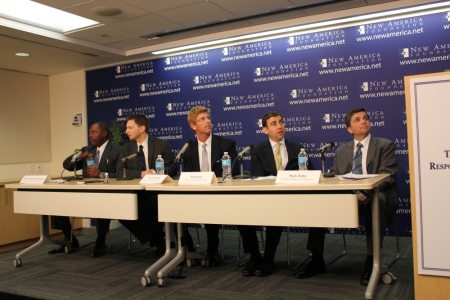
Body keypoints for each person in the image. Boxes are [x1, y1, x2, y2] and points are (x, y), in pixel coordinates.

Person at [294, 107, 398, 285]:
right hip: (348, 198)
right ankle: (317, 259)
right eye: (357, 120)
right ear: (350, 129)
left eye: (365, 118)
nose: (363, 121)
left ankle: (372, 262)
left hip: (373, 196)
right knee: (318, 203)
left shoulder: (384, 145)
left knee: (377, 202)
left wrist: (364, 194)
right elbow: (335, 176)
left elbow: (387, 176)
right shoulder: (341, 151)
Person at [239, 111, 313, 276]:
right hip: (267, 198)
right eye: (273, 123)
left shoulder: (298, 148)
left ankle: (269, 258)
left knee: (276, 213)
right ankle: (255, 256)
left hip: (293, 199)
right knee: (241, 215)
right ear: (265, 130)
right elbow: (258, 178)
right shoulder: (258, 151)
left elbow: (310, 173)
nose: (279, 126)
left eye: (281, 122)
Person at [50, 122, 120, 258]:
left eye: (94, 132)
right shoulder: (87, 149)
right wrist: (77, 158)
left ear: (104, 133)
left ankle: (100, 241)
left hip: (105, 192)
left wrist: (100, 174)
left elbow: (120, 174)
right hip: (84, 191)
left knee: (102, 206)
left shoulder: (116, 150)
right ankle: (69, 239)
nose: (90, 135)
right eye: (89, 133)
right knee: (57, 203)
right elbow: (66, 165)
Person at [182, 106, 239, 266]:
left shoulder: (226, 144)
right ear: (194, 126)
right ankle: (189, 249)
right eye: (202, 119)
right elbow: (186, 175)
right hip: (195, 194)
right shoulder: (188, 150)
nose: (208, 121)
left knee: (210, 210)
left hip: (218, 193)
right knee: (172, 211)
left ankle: (212, 251)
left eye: (208, 118)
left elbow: (232, 169)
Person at [116, 114, 177, 255]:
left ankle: (160, 239)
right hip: (137, 191)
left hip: (158, 191)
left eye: (130, 127)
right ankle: (157, 238)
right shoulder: (125, 149)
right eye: (126, 128)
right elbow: (120, 172)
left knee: (155, 205)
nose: (126, 131)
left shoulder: (161, 144)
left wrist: (156, 172)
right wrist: (142, 174)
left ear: (142, 128)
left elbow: (172, 168)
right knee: (122, 208)